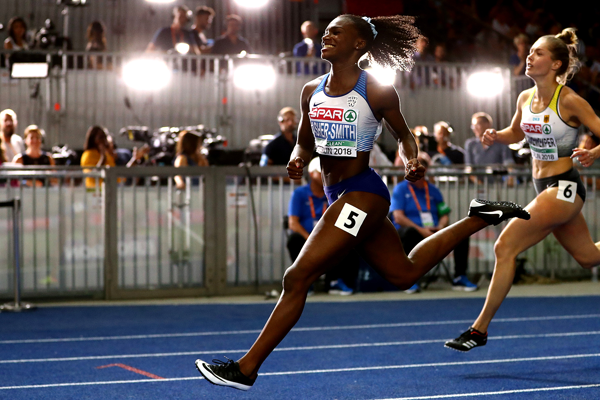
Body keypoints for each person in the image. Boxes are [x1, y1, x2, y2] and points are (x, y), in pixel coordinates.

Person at [195, 13, 529, 391]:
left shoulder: (377, 90)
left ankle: (246, 368)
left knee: (296, 277)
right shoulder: (310, 91)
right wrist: (298, 157)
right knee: (403, 274)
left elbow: (404, 135)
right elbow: (305, 139)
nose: (327, 34)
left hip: (363, 193)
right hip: (337, 195)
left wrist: (412, 160)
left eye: (336, 31)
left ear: (359, 44)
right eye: (326, 31)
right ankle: (478, 217)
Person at [445, 28, 600, 353]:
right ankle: (479, 330)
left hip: (565, 187)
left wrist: (593, 153)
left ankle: (479, 329)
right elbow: (516, 132)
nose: (529, 56)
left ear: (556, 64)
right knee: (589, 257)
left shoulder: (569, 100)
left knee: (504, 246)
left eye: (538, 53)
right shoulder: (524, 98)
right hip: (543, 185)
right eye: (529, 51)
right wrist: (494, 135)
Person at [390, 154, 477, 293]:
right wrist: (421, 230)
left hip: (434, 231)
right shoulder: (401, 189)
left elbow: (444, 214)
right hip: (412, 231)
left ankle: (460, 277)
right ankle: (408, 279)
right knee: (409, 233)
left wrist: (441, 228)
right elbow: (398, 217)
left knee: (461, 233)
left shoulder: (433, 190)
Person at [287, 157, 356, 295]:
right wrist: (310, 239)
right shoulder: (300, 193)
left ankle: (334, 282)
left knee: (348, 237)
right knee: (294, 240)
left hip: (329, 238)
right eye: (322, 172)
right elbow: (293, 223)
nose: (326, 176)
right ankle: (305, 282)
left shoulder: (336, 193)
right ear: (312, 174)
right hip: (307, 238)